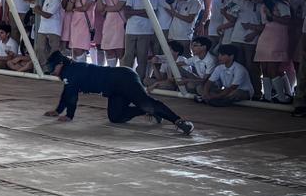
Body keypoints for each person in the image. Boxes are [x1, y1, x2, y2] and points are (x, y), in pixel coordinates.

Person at [44, 51, 193, 135]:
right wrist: (58, 111)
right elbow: (68, 92)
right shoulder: (68, 71)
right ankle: (147, 111)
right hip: (113, 89)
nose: (53, 73)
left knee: (146, 103)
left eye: (53, 69)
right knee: (115, 117)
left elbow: (71, 95)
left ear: (61, 64)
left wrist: (69, 116)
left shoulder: (70, 72)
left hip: (123, 78)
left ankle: (179, 121)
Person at [200, 43, 255, 107]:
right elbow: (209, 82)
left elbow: (233, 88)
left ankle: (216, 100)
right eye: (219, 55)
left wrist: (214, 96)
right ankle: (216, 99)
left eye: (222, 55)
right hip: (226, 91)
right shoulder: (219, 67)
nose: (219, 57)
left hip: (243, 91)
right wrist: (206, 93)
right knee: (204, 89)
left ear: (231, 56)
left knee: (234, 93)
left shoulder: (239, 69)